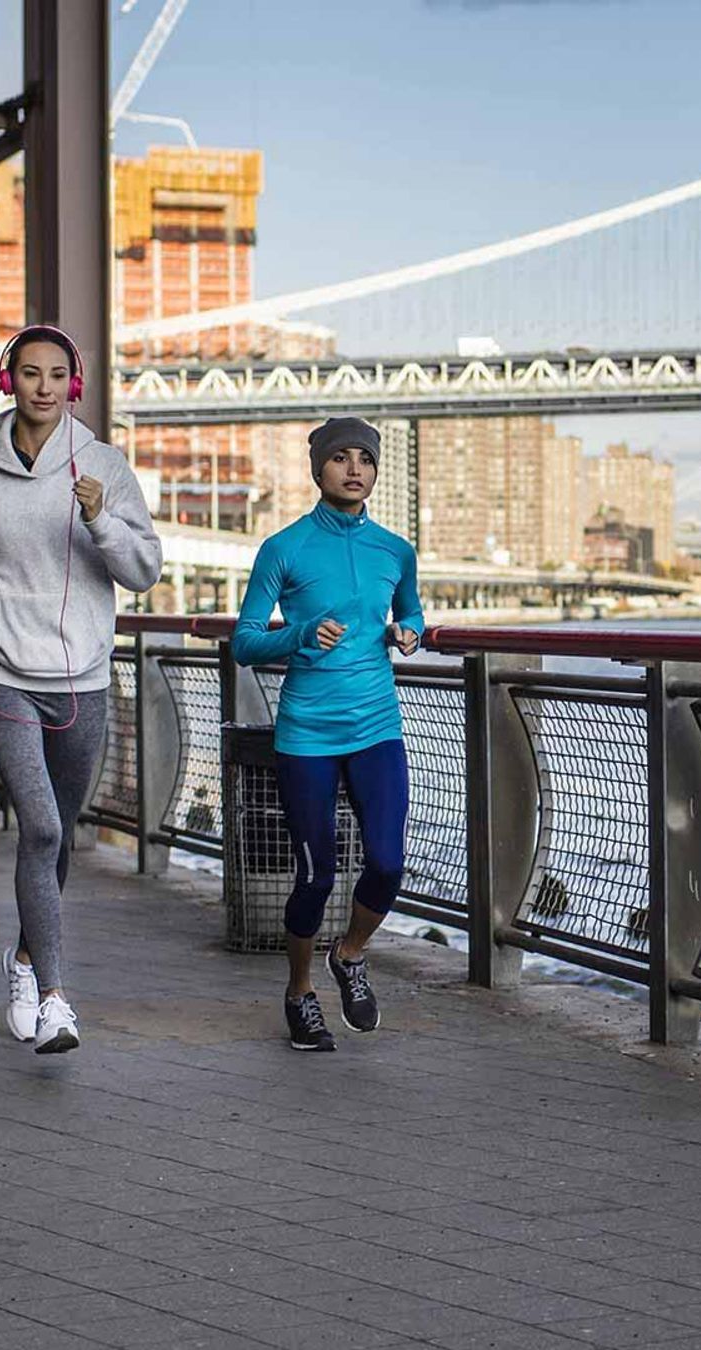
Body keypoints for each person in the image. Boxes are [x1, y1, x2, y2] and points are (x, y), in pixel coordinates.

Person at [0, 325, 162, 1054]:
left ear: (74, 384)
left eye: (55, 374)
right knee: (40, 828)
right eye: (27, 373)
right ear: (9, 382)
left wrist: (100, 519)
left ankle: (27, 956)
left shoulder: (102, 464)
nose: (41, 385)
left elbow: (144, 570)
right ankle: (55, 999)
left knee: (58, 837)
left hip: (83, 678)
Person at [231, 417, 424, 1052]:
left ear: (374, 470)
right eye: (339, 459)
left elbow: (411, 610)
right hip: (307, 733)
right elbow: (245, 641)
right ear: (319, 471)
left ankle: (351, 954)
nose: (353, 469)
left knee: (389, 861)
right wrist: (299, 636)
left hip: (376, 725)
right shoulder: (283, 548)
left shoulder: (396, 551)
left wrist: (410, 633)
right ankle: (299, 993)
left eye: (363, 459)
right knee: (315, 876)